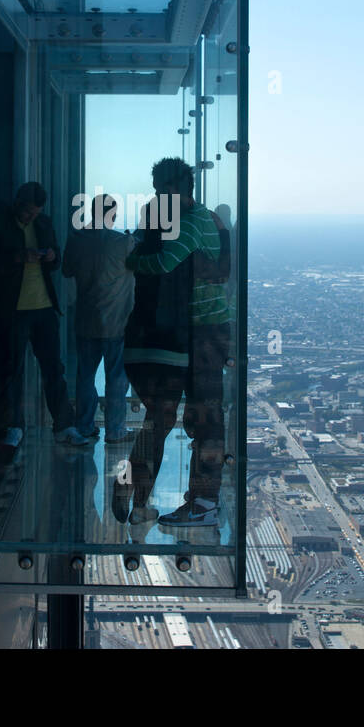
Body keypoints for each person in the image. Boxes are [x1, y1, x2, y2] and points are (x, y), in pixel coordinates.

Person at [116, 158, 231, 527]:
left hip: (200, 331)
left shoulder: (190, 221)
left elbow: (165, 263)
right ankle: (195, 501)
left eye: (162, 190)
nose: (158, 197)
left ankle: (201, 503)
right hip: (194, 332)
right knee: (191, 418)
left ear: (173, 190)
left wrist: (133, 260)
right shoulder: (199, 218)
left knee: (197, 419)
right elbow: (219, 269)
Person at [0, 181, 83, 446]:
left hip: (43, 307)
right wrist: (18, 258)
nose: (31, 217)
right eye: (28, 212)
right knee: (10, 371)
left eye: (36, 213)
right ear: (18, 204)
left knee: (53, 370)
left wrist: (51, 256)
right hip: (12, 308)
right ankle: (13, 425)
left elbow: (57, 262)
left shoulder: (43, 223)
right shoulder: (1, 223)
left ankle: (64, 426)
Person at [63, 194, 134, 443]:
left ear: (93, 212)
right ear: (113, 215)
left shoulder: (77, 240)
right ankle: (115, 430)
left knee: (85, 376)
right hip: (117, 321)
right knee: (116, 378)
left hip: (85, 319)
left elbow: (66, 270)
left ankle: (84, 426)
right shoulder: (124, 243)